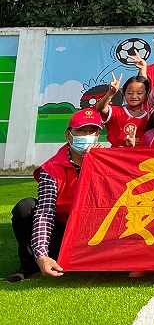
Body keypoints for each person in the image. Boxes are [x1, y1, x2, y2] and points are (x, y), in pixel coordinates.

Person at [7, 108, 104, 282]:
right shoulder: (51, 168)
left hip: (94, 230)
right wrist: (41, 254)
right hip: (63, 231)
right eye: (81, 131)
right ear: (68, 135)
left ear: (98, 135)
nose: (87, 136)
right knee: (25, 207)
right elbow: (45, 213)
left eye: (92, 131)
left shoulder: (106, 162)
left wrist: (99, 161)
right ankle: (30, 263)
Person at [95, 72, 150, 147]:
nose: (134, 96)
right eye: (130, 93)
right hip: (115, 153)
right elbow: (100, 108)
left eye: (139, 93)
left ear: (146, 95)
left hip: (139, 153)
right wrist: (111, 93)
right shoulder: (116, 112)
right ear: (124, 93)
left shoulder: (149, 117)